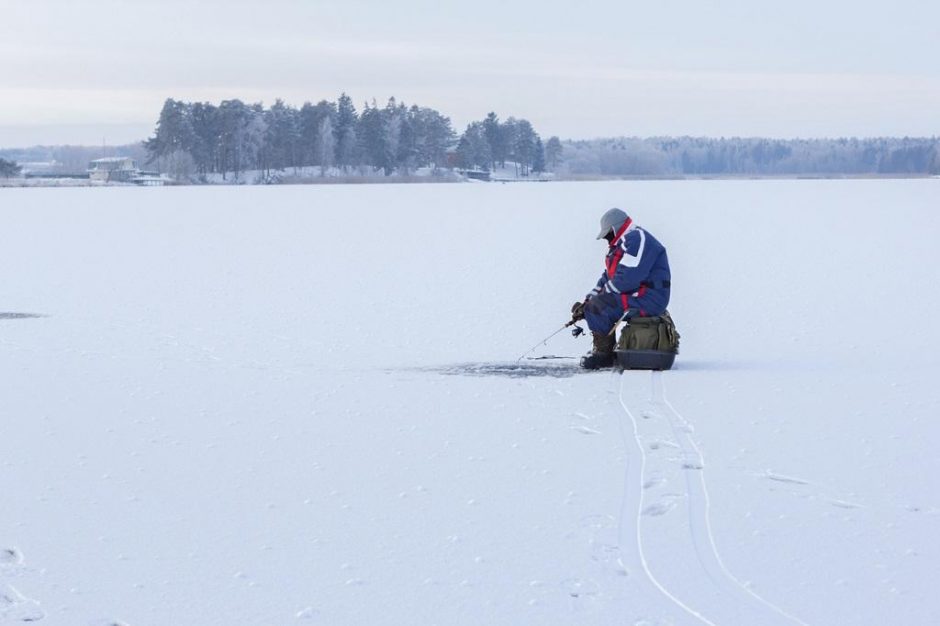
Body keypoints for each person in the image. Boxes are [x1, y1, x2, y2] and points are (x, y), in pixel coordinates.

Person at [571, 208, 672, 369]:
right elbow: (608, 277)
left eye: (607, 235)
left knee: (599, 307)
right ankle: (604, 351)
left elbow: (627, 279)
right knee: (595, 305)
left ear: (614, 229)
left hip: (649, 298)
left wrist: (597, 302)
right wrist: (588, 301)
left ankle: (604, 356)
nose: (606, 239)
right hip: (639, 296)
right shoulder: (622, 244)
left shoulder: (637, 239)